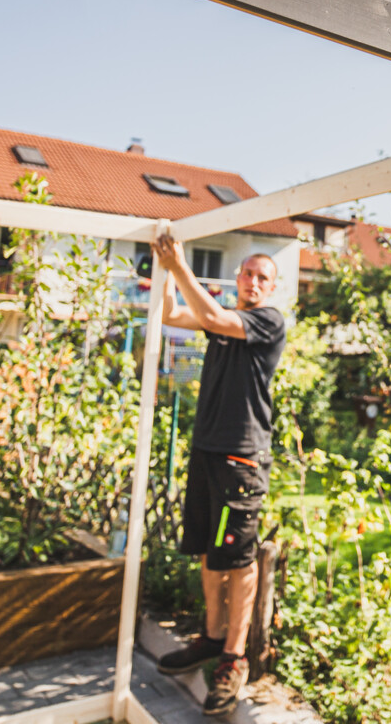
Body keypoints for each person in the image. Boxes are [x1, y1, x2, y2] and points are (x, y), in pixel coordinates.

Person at [149, 234, 287, 717]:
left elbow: (209, 316)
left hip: (241, 459)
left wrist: (179, 263)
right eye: (246, 273)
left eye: (261, 277)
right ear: (237, 277)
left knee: (239, 558)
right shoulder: (227, 325)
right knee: (210, 550)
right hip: (208, 450)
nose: (252, 282)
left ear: (272, 288)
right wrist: (165, 268)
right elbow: (172, 315)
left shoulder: (267, 322)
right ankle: (210, 638)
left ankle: (233, 658)